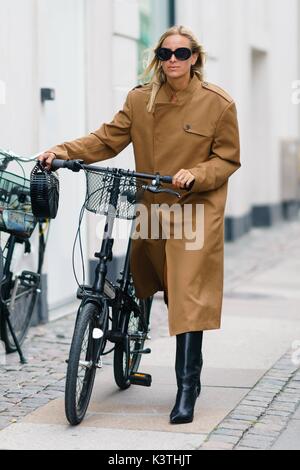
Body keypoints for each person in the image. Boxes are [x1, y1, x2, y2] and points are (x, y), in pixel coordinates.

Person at [38, 25, 241, 425]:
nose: (172, 61)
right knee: (146, 280)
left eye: (181, 54)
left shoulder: (218, 104)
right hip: (151, 207)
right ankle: (130, 339)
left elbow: (228, 159)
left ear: (195, 57)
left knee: (186, 297)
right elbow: (106, 139)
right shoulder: (139, 99)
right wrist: (60, 151)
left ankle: (187, 389)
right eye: (165, 54)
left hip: (193, 210)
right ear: (158, 58)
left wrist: (196, 174)